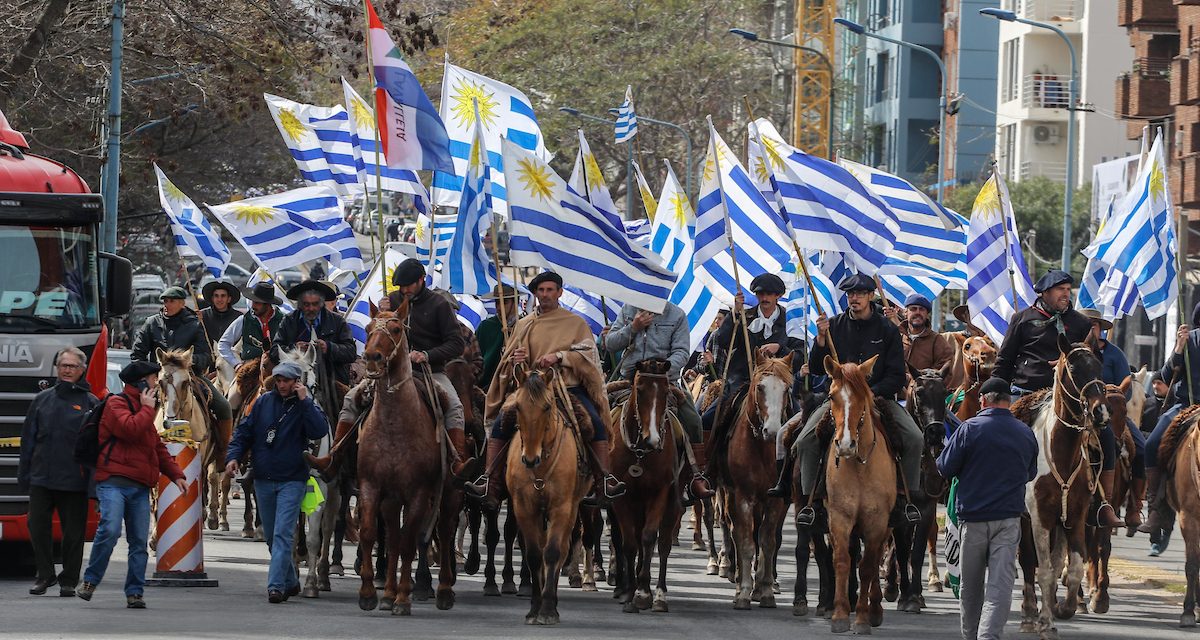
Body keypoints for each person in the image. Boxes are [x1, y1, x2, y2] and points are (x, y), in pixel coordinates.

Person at [466, 271, 625, 509]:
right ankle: (491, 481)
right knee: (501, 422)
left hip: (568, 388)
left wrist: (559, 356)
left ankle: (603, 482)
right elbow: (510, 363)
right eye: (540, 291)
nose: (545, 295)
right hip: (532, 389)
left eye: (550, 290)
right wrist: (516, 360)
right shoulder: (524, 324)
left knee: (595, 423)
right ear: (535, 294)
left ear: (559, 292)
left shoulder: (575, 323)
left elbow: (588, 358)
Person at [789, 273, 923, 525]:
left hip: (879, 398)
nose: (854, 298)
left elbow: (896, 375)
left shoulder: (888, 329)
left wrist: (868, 394)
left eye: (859, 294)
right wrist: (819, 340)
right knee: (805, 440)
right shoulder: (834, 326)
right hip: (840, 400)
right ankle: (813, 502)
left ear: (871, 296)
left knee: (915, 438)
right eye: (850, 294)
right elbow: (818, 368)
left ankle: (906, 497)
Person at [994, 269, 1122, 528]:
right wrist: (996, 392)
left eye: (1067, 289)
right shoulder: (1022, 319)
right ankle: (997, 493)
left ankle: (1104, 503)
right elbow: (1004, 361)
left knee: (1108, 436)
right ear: (1045, 292)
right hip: (1027, 392)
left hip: (1071, 399)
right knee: (999, 436)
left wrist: (1070, 363)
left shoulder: (1081, 324)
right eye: (1060, 289)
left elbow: (1094, 360)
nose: (1066, 294)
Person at [77, 361, 187, 608]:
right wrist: (148, 410)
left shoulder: (145, 409)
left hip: (139, 487)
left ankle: (135, 592)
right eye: (152, 379)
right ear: (138, 382)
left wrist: (176, 474)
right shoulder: (117, 404)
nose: (155, 384)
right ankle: (90, 581)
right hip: (113, 482)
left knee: (139, 543)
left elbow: (156, 447)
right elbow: (130, 429)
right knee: (110, 530)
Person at [936, 377, 1038, 640]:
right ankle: (988, 637)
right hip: (1008, 520)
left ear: (983, 400)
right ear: (1008, 401)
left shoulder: (969, 429)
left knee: (971, 588)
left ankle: (971, 636)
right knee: (1000, 587)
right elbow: (1030, 473)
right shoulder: (1026, 432)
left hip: (973, 520)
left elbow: (945, 468)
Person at [225, 361, 329, 603]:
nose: (282, 385)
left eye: (287, 381)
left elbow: (318, 430)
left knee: (283, 534)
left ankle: (275, 586)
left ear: (297, 382)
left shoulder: (306, 405)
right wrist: (233, 457)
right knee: (272, 536)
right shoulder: (262, 402)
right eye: (279, 380)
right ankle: (291, 580)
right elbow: (244, 432)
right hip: (263, 478)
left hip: (292, 480)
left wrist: (305, 402)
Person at [603, 300, 714, 503]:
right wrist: (633, 327)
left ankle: (695, 477)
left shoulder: (677, 315)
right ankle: (602, 476)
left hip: (663, 381)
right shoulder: (628, 310)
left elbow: (682, 352)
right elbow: (610, 343)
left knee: (693, 420)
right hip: (629, 380)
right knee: (599, 416)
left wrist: (660, 371)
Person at [18, 346, 100, 597]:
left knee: (73, 535)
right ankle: (44, 575)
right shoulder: (42, 400)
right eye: (63, 365)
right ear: (56, 368)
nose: (67, 370)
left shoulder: (91, 403)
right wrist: (25, 474)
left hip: (74, 480)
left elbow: (96, 450)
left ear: (82, 370)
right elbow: (28, 439)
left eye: (72, 366)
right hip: (42, 477)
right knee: (37, 527)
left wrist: (94, 488)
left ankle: (68, 580)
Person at [382, 258, 473, 475]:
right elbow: (378, 334)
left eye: (409, 285)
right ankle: (338, 455)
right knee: (352, 399)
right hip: (391, 372)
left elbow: (456, 344)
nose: (404, 290)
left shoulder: (439, 304)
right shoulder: (392, 301)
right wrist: (381, 313)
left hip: (430, 372)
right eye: (401, 286)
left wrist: (427, 355)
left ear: (422, 280)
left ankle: (456, 461)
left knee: (455, 407)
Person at [131, 286, 233, 452]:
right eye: (165, 301)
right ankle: (132, 449)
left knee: (223, 406)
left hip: (190, 377)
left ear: (181, 303)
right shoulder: (151, 323)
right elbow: (137, 354)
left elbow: (206, 355)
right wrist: (148, 374)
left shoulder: (194, 324)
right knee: (130, 405)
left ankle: (223, 452)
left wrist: (187, 361)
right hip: (158, 378)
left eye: (171, 301)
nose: (167, 304)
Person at [1140, 302, 1200, 552]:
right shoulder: (1191, 340)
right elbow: (1164, 376)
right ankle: (1156, 508)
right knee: (1152, 444)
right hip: (1187, 406)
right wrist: (1178, 348)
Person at [700, 274, 791, 433]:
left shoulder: (790, 320)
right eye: (761, 294)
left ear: (778, 295)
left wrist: (780, 348)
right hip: (741, 381)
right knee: (707, 420)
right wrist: (735, 312)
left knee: (797, 421)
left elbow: (798, 354)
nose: (764, 298)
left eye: (769, 294)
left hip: (779, 385)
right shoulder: (744, 317)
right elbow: (723, 341)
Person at [271, 280, 356, 387]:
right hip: (294, 381)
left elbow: (351, 352)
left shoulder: (338, 321)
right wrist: (294, 349)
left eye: (315, 304)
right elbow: (274, 351)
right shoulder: (289, 320)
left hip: (331, 382)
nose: (311, 308)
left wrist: (328, 347)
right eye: (306, 304)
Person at [217, 282, 284, 372]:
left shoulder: (283, 321)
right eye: (253, 302)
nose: (253, 306)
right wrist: (236, 364)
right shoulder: (244, 320)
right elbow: (223, 344)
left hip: (278, 368)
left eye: (257, 303)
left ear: (267, 304)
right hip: (250, 369)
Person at [889, 294, 954, 372]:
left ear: (927, 314)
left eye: (922, 309)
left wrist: (922, 378)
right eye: (913, 309)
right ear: (906, 312)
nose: (918, 312)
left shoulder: (937, 340)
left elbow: (945, 369)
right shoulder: (895, 337)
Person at [478, 283, 520, 389]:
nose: (498, 307)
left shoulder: (525, 325)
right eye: (497, 302)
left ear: (515, 302)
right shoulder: (486, 326)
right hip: (487, 385)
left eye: (504, 302)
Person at [200, 280, 242, 356]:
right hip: (208, 358)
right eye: (216, 296)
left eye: (223, 296)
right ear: (212, 298)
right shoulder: (203, 315)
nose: (219, 299)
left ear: (229, 299)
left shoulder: (239, 317)